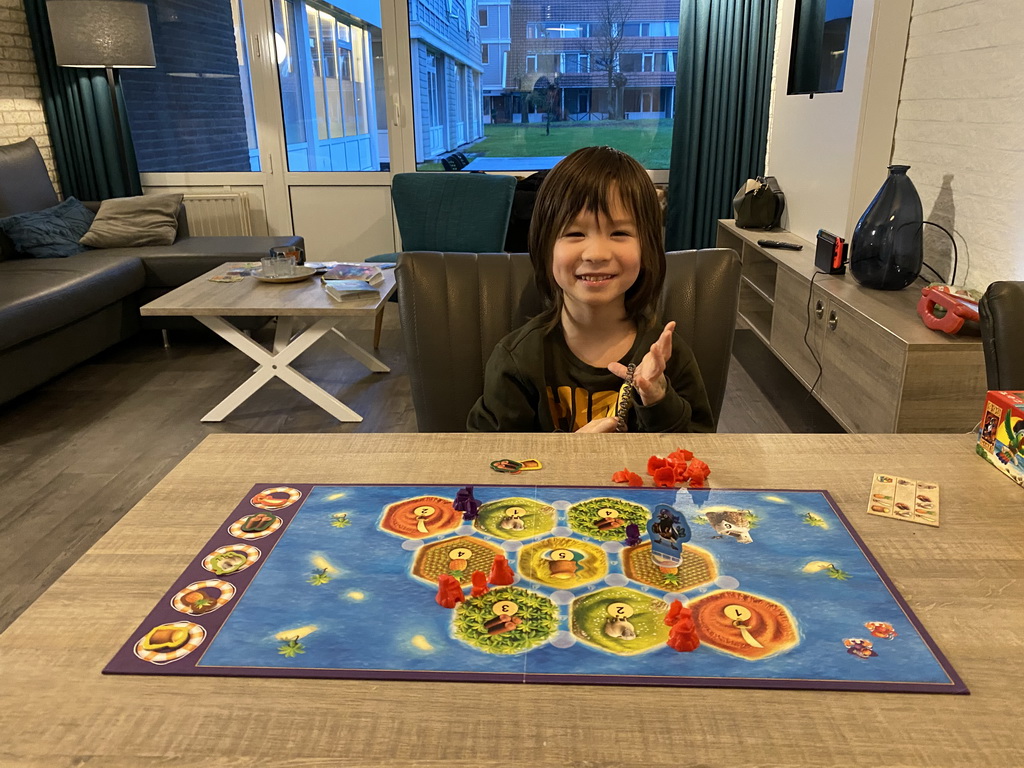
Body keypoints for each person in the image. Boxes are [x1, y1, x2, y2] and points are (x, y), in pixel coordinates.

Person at [466, 146, 714, 433]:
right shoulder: (518, 360)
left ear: (647, 248)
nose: (596, 253)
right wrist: (569, 455)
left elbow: (698, 458)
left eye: (619, 233)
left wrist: (658, 397)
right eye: (575, 233)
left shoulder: (669, 357)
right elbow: (490, 464)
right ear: (546, 249)